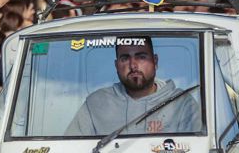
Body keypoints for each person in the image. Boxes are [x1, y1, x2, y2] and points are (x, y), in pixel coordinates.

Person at [66, 36, 202, 136]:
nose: (133, 65)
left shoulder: (182, 103)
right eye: (125, 58)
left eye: (141, 57)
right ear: (116, 65)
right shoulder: (96, 103)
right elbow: (70, 149)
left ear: (155, 61)